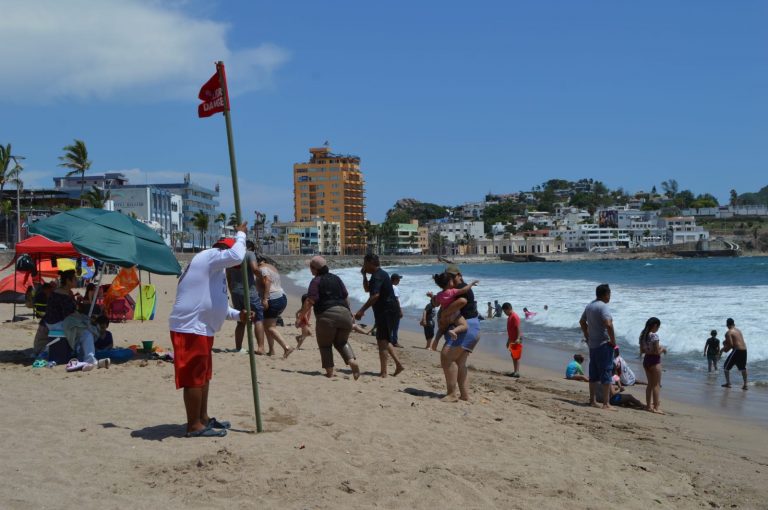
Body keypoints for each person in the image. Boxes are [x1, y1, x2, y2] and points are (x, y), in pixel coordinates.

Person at [168, 223, 252, 438]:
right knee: (194, 378)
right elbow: (236, 255)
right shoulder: (211, 255)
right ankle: (194, 425)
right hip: (190, 328)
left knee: (204, 376)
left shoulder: (215, 270)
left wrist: (237, 315)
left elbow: (216, 304)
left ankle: (202, 418)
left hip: (202, 328)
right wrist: (241, 233)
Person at [297, 256, 360, 379]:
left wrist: (302, 315)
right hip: (345, 314)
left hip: (327, 316)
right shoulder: (337, 278)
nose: (310, 270)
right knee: (341, 342)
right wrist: (350, 313)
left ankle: (330, 372)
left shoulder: (316, 281)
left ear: (315, 269)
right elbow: (345, 296)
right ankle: (352, 361)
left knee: (325, 345)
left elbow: (310, 300)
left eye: (311, 267)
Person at [354, 254, 404, 378]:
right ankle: (398, 365)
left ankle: (384, 372)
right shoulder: (378, 275)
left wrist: (361, 310)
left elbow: (375, 296)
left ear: (370, 263)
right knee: (384, 339)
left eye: (365, 263)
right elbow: (367, 289)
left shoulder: (378, 276)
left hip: (387, 311)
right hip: (386, 311)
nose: (364, 265)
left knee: (382, 341)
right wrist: (364, 275)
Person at [437, 264, 481, 402]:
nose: (449, 281)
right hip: (473, 327)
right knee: (460, 362)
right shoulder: (457, 289)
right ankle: (465, 395)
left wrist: (444, 314)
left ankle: (451, 394)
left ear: (459, 275)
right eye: (447, 278)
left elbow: (461, 302)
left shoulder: (461, 289)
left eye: (451, 277)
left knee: (446, 357)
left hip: (466, 328)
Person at [579, 283, 617, 410]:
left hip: (593, 344)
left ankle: (592, 400)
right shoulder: (603, 307)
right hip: (603, 344)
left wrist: (587, 335)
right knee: (606, 372)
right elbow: (608, 324)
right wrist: (613, 341)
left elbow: (582, 321)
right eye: (609, 294)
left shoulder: (590, 305)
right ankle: (606, 404)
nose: (610, 296)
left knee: (593, 374)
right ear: (606, 294)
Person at [226, 239, 266, 354]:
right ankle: (260, 347)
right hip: (249, 292)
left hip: (235, 292)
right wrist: (262, 275)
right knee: (258, 318)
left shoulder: (232, 256)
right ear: (251, 248)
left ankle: (238, 348)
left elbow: (228, 276)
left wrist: (232, 290)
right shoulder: (249, 254)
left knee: (240, 320)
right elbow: (254, 269)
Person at [256, 255, 294, 358]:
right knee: (268, 325)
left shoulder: (262, 268)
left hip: (272, 298)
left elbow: (268, 281)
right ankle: (271, 350)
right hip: (281, 297)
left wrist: (265, 298)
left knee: (269, 327)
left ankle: (286, 347)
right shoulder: (271, 267)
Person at [428, 272, 479, 340]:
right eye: (452, 280)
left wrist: (432, 297)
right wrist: (472, 284)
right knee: (464, 326)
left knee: (442, 329)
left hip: (445, 316)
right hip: (454, 314)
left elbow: (436, 304)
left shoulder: (439, 294)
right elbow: (463, 290)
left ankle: (436, 342)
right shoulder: (452, 291)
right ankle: (453, 331)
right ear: (449, 283)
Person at [639, 317, 666, 414]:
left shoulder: (643, 336)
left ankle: (648, 406)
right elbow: (656, 352)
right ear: (655, 325)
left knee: (650, 384)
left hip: (646, 360)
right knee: (656, 385)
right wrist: (663, 349)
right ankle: (656, 407)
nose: (658, 328)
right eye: (658, 326)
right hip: (654, 361)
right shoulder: (654, 336)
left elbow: (642, 351)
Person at [722, 318, 748, 390]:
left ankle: (728, 383)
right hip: (744, 350)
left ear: (727, 325)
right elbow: (737, 341)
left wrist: (724, 350)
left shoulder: (728, 332)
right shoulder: (738, 331)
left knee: (726, 367)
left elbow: (730, 344)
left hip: (737, 350)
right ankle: (745, 385)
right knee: (743, 368)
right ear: (734, 324)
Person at [502, 302, 522, 377]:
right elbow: (510, 330)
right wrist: (508, 340)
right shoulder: (509, 317)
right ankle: (515, 371)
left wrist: (518, 338)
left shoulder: (514, 316)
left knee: (516, 355)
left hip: (516, 339)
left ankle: (517, 372)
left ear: (509, 309)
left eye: (505, 311)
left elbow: (518, 328)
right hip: (512, 339)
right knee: (513, 355)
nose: (504, 313)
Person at [390, 274, 403, 347]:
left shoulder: (387, 286)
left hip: (388, 308)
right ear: (395, 280)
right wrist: (400, 310)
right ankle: (394, 341)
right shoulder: (395, 288)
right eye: (398, 279)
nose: (399, 281)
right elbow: (396, 300)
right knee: (395, 326)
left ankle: (389, 339)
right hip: (394, 309)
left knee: (390, 325)